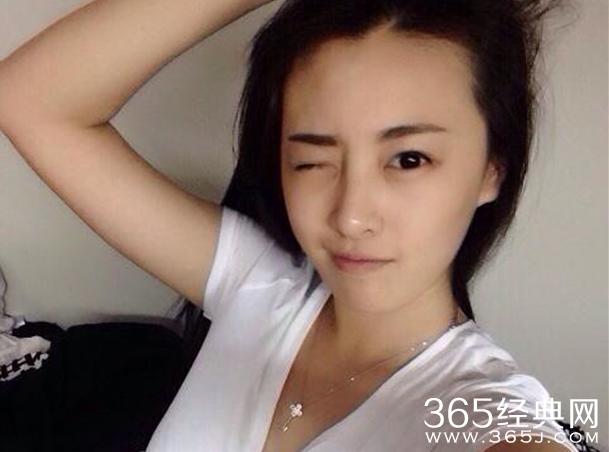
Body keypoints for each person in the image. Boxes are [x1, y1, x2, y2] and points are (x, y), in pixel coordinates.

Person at [0, 0, 581, 451]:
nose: (351, 215)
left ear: (492, 170)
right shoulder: (260, 285)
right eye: (312, 160)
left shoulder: (484, 412)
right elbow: (29, 101)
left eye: (408, 159)